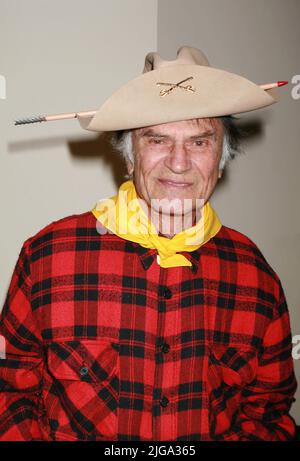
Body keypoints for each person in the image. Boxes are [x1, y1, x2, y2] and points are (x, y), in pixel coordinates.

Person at [0, 46, 297, 441]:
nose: (178, 162)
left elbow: (268, 411)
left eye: (199, 142)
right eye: (157, 139)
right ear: (129, 157)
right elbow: (10, 393)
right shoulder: (47, 257)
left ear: (221, 161)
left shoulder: (255, 276)